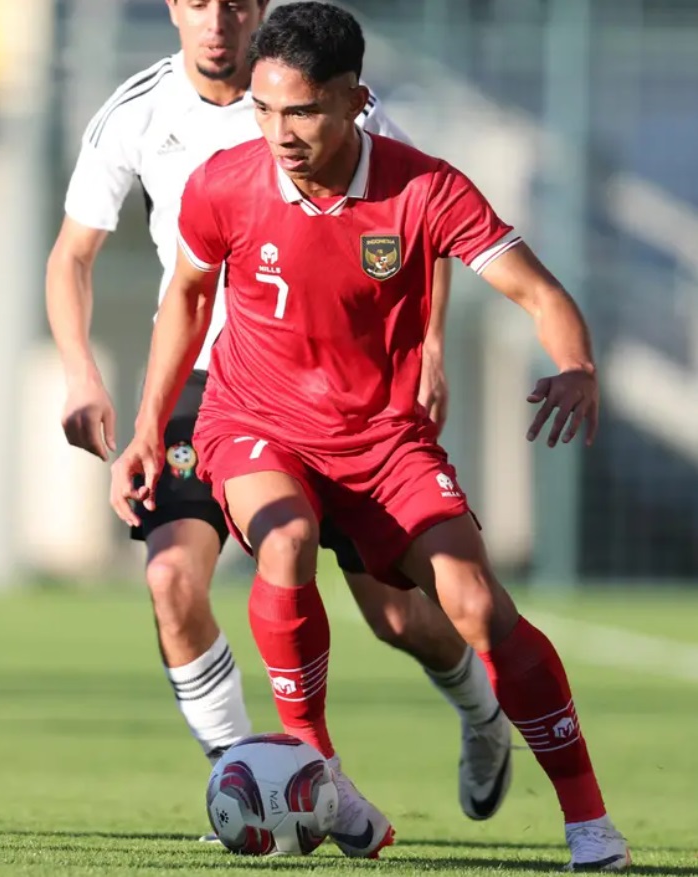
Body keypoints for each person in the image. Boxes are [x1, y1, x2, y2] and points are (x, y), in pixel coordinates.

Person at [110, 2, 630, 869]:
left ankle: (589, 821)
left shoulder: (424, 187)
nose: (280, 131)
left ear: (356, 99)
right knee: (285, 539)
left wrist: (576, 363)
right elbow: (188, 300)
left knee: (469, 604)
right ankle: (322, 769)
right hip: (255, 419)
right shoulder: (224, 183)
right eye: (265, 110)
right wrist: (145, 426)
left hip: (383, 439)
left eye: (303, 111)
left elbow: (538, 292)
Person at [45, 0, 510, 846]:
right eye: (197, 2)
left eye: (235, 3)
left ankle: (482, 715)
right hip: (203, 381)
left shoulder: (338, 100)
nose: (217, 20)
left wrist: (430, 345)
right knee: (171, 580)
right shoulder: (136, 110)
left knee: (397, 615)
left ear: (261, 10)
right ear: (170, 9)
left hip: (336, 388)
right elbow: (71, 251)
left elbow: (422, 218)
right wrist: (82, 371)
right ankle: (263, 777)